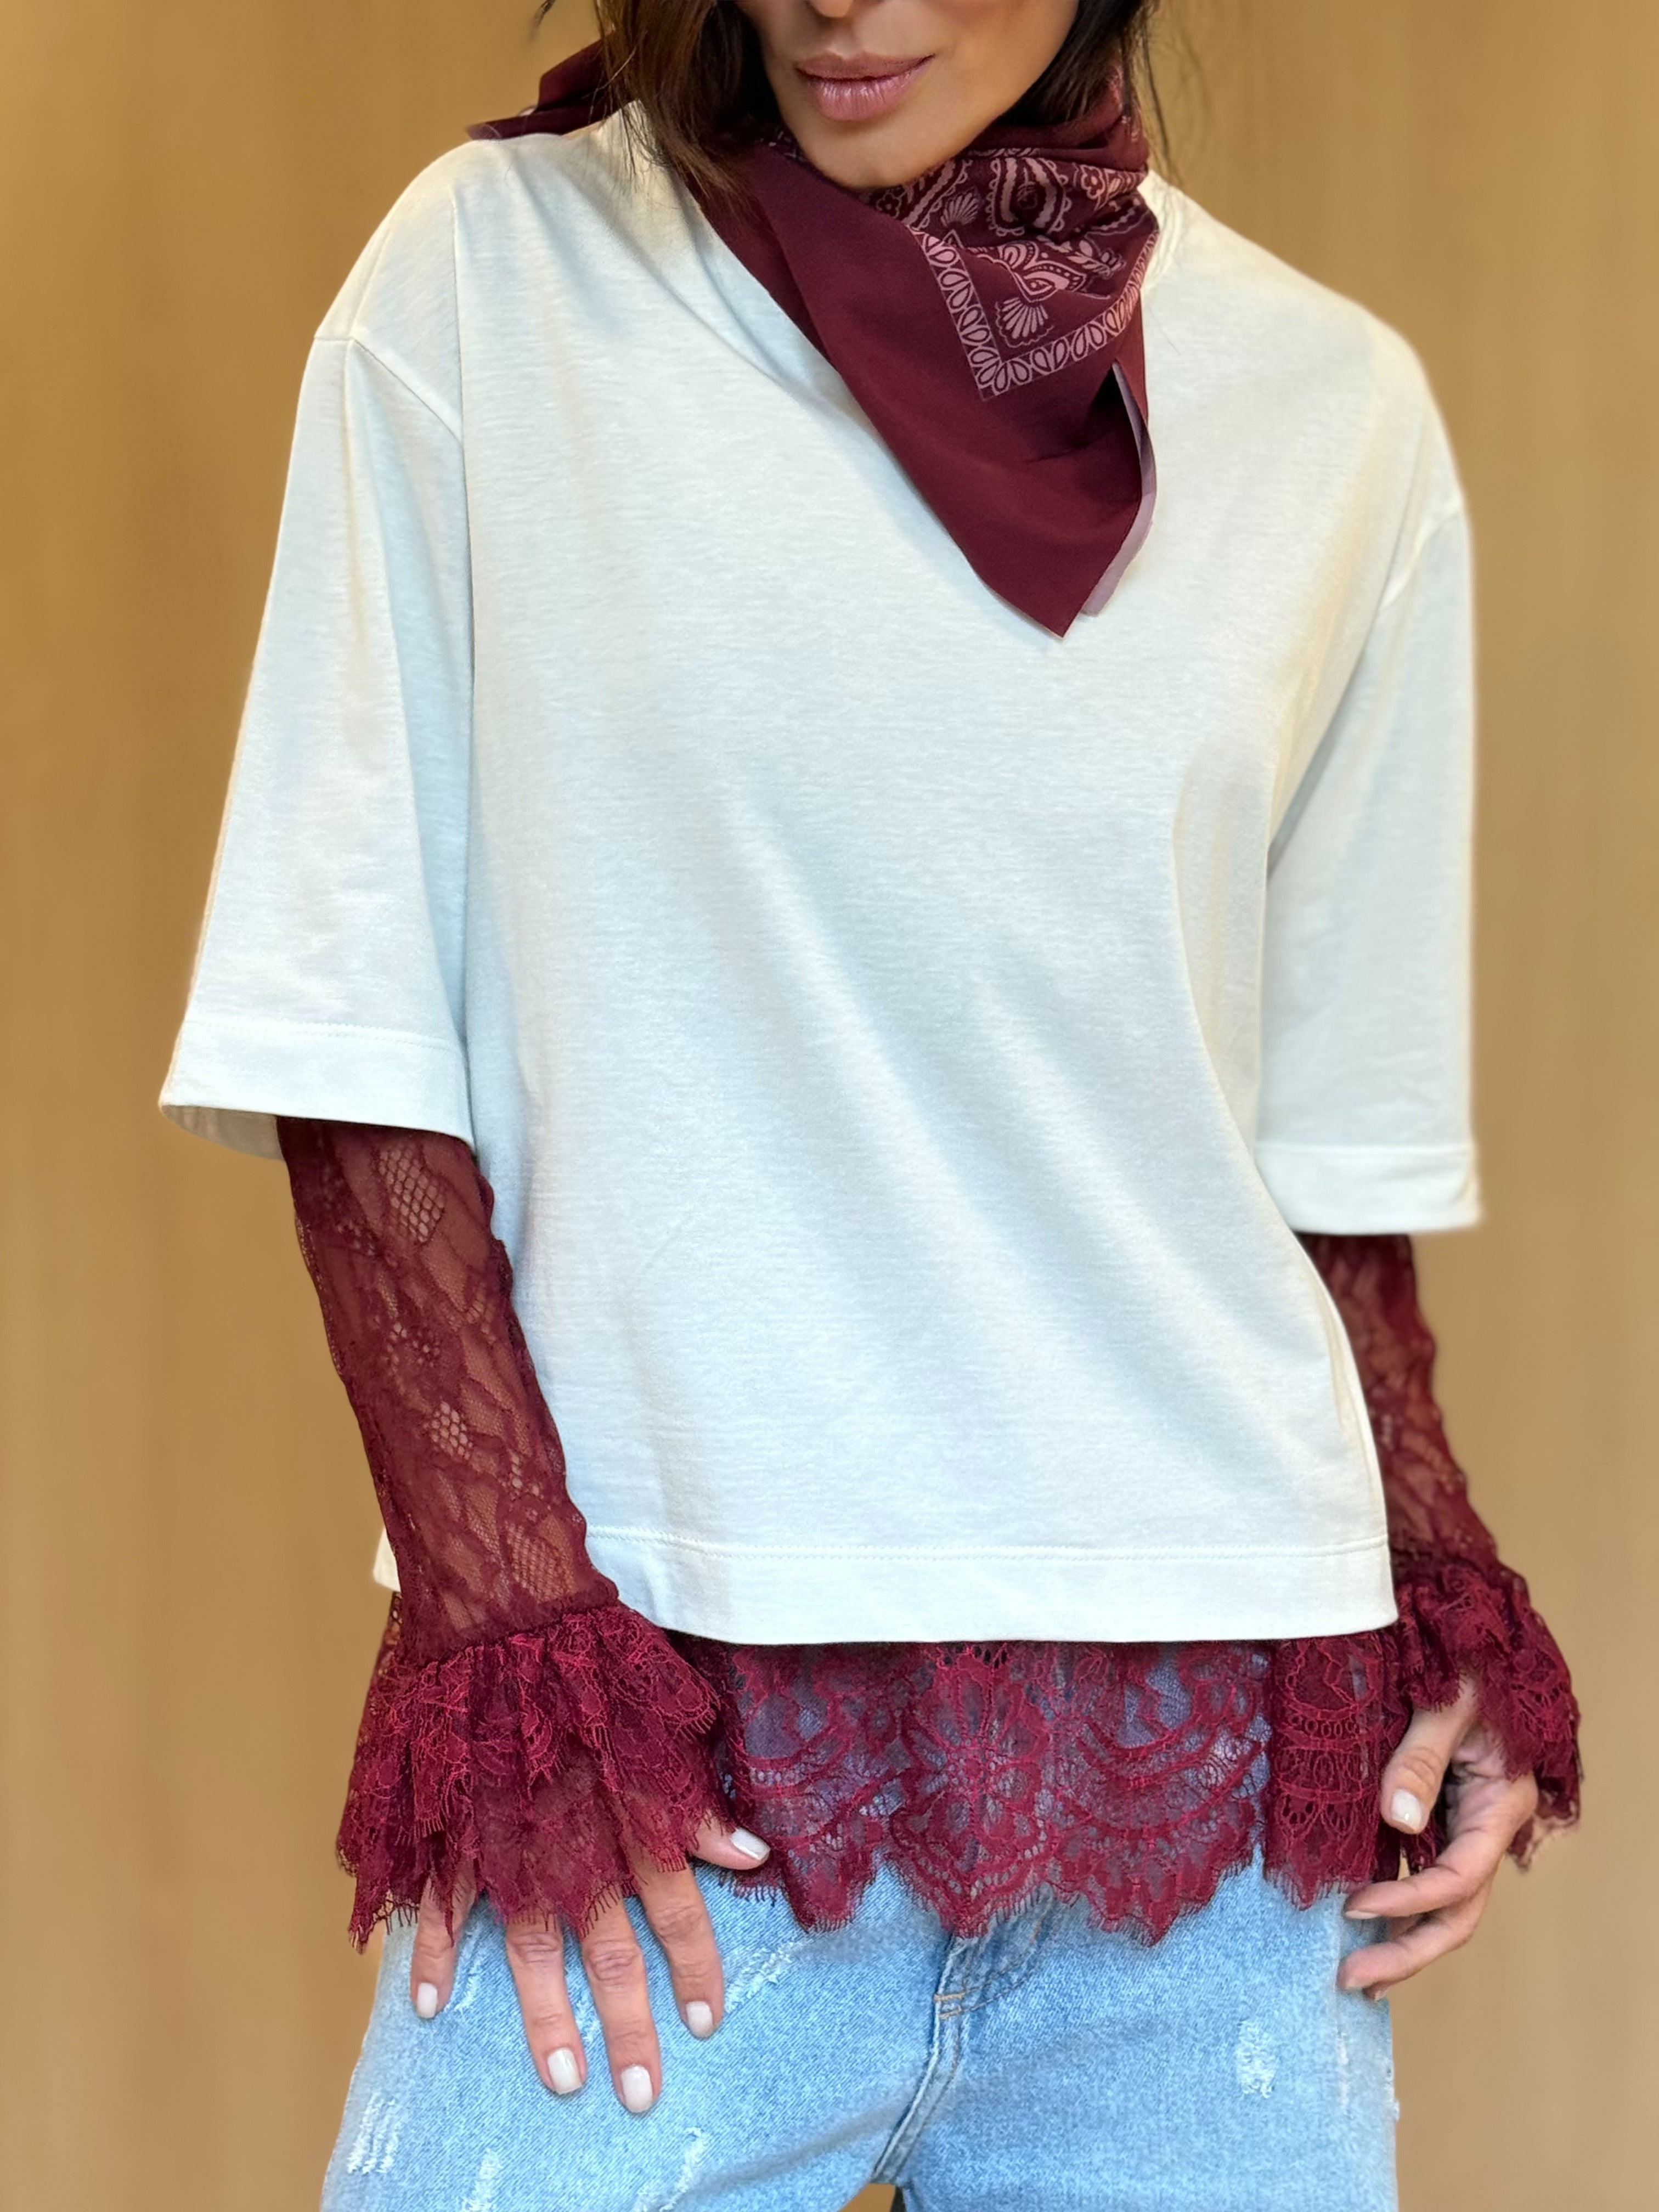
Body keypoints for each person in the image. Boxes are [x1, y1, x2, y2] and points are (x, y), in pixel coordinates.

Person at [161, 0, 1580, 2204]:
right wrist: (518, 1644)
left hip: (1217, 1817)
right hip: (671, 1768)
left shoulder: (1337, 410)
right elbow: (348, 1045)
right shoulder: (490, 283)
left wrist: (1440, 1580)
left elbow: (1313, 1168)